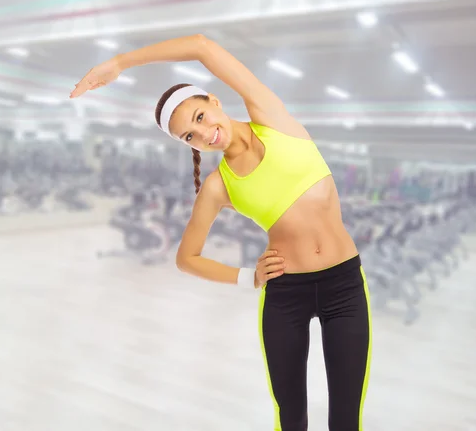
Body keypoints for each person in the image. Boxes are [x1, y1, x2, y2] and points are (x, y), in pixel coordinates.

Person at [71, 34, 372, 431]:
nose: (204, 134)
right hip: (285, 297)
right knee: (292, 418)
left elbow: (201, 46)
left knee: (347, 421)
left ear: (213, 101)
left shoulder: (271, 117)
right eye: (190, 137)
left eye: (199, 118)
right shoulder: (219, 186)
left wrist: (121, 63)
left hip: (344, 287)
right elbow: (186, 258)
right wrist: (248, 276)